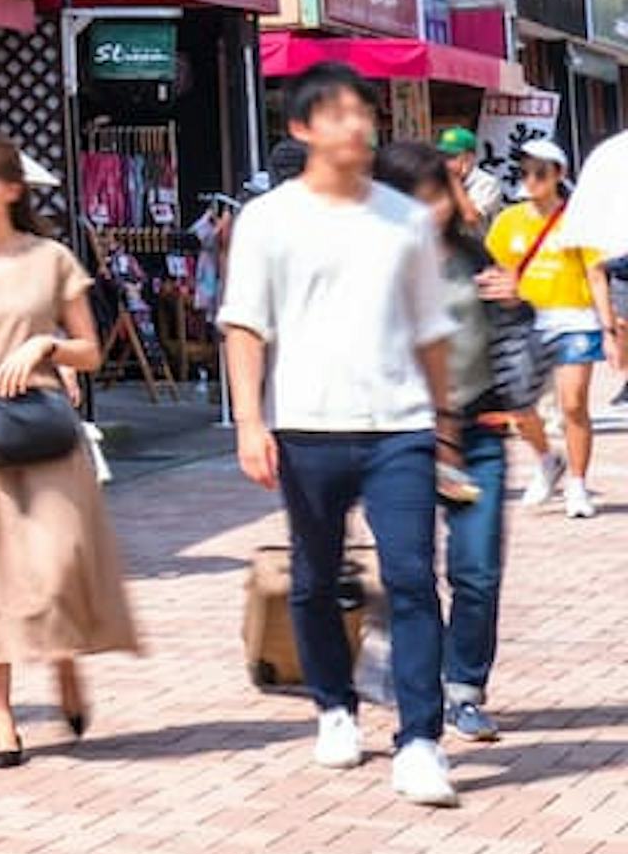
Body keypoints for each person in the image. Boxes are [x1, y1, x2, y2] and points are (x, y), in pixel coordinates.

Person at [220, 61, 461, 809]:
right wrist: (250, 421)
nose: (358, 125)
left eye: (364, 112)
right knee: (315, 577)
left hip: (400, 425)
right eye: (338, 113)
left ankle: (420, 741)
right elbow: (244, 326)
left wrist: (444, 423)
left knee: (413, 577)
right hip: (307, 424)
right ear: (302, 128)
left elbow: (431, 330)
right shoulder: (268, 220)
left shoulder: (406, 219)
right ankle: (334, 706)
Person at [0, 134, 141, 768]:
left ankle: (63, 656)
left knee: (60, 556)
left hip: (40, 416)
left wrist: (46, 346)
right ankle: (1, 718)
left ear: (11, 189)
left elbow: (89, 352)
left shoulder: (52, 258)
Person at [387, 139, 536, 748]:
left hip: (477, 434)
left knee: (477, 570)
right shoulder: (379, 268)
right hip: (403, 439)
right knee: (411, 575)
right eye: (418, 197)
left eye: (439, 195)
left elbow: (516, 352)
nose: (434, 209)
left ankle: (465, 688)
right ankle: (417, 692)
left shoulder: (476, 256)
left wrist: (516, 305)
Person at [486, 135, 607, 518]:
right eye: (525, 172)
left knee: (573, 404)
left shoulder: (578, 219)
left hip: (575, 319)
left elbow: (595, 273)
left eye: (540, 172)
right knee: (520, 408)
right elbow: (498, 269)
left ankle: (577, 485)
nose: (531, 179)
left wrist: (610, 327)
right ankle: (546, 460)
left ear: (559, 174)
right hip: (526, 321)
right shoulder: (509, 221)